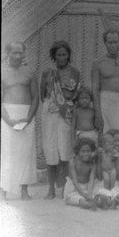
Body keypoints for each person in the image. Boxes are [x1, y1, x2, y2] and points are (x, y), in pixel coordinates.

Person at [41, 40, 81, 199]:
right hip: (50, 112)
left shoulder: (75, 72)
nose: (62, 57)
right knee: (51, 149)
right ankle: (50, 189)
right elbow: (42, 94)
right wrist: (54, 104)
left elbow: (76, 94)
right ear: (53, 56)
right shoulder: (47, 72)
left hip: (67, 113)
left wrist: (66, 106)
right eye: (58, 54)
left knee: (65, 150)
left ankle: (64, 188)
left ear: (69, 55)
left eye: (64, 54)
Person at [1, 41, 39, 200]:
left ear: (24, 54)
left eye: (20, 53)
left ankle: (24, 190)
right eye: (14, 52)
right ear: (7, 53)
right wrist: (7, 119)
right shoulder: (1, 72)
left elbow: (36, 97)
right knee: (6, 152)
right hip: (7, 114)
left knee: (26, 152)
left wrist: (29, 118)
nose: (17, 56)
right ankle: (3, 191)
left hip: (26, 114)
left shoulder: (30, 73)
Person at [91, 29, 119, 137]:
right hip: (106, 103)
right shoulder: (98, 63)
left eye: (115, 42)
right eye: (110, 42)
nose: (113, 45)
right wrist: (98, 113)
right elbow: (95, 89)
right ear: (105, 43)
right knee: (108, 137)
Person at [94, 133, 119, 209]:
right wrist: (97, 155)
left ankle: (114, 199)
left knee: (113, 185)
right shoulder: (101, 152)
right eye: (111, 143)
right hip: (103, 174)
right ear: (103, 144)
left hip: (112, 170)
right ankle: (110, 199)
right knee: (105, 183)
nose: (113, 145)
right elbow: (99, 177)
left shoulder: (116, 153)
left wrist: (117, 160)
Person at [64, 138, 98, 210]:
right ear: (77, 151)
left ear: (92, 151)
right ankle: (88, 204)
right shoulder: (73, 162)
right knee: (80, 200)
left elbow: (91, 179)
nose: (85, 154)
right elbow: (75, 180)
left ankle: (96, 202)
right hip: (73, 189)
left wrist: (89, 193)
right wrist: (83, 194)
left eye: (88, 151)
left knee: (96, 194)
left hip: (87, 187)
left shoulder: (92, 163)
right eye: (83, 151)